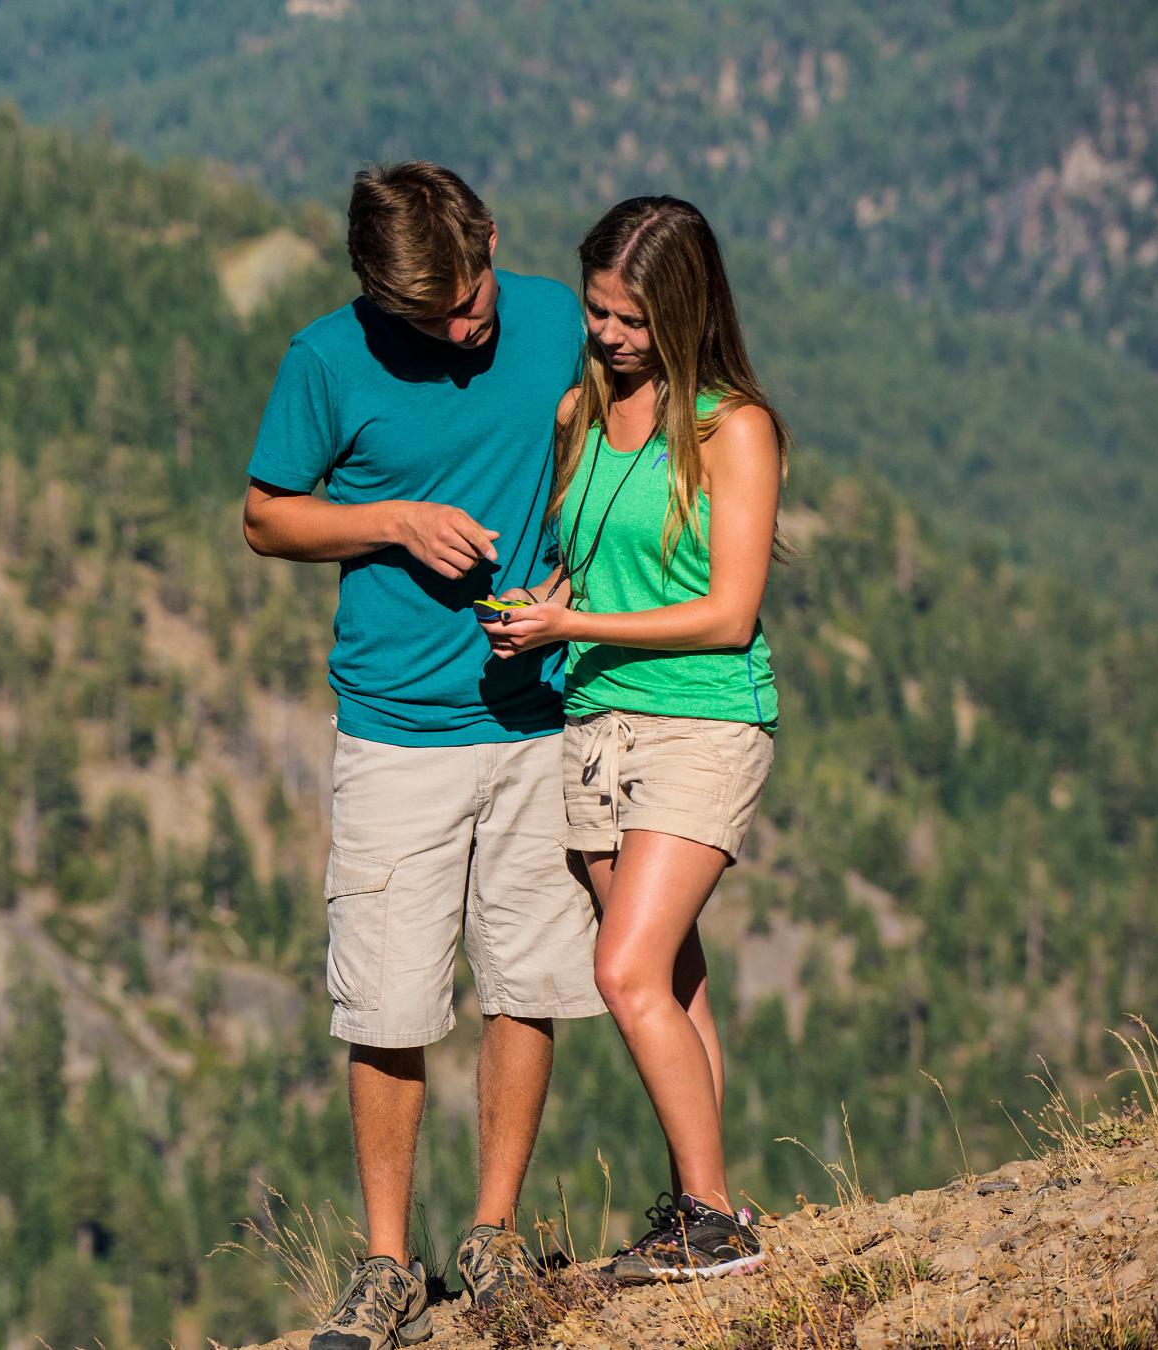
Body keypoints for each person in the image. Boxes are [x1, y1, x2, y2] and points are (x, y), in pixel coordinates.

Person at [242, 161, 604, 1349]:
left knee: (528, 984)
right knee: (390, 1002)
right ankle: (386, 1263)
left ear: (492, 237)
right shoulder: (325, 360)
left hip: (542, 709)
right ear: (376, 295)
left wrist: (577, 574)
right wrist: (392, 520)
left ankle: (493, 1238)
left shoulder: (558, 318)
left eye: (471, 293)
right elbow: (266, 515)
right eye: (432, 315)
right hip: (394, 724)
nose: (464, 324)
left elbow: (620, 446)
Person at [482, 195, 788, 1283]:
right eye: (597, 310)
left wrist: (573, 624)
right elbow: (597, 560)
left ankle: (711, 1220)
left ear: (681, 310)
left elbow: (727, 612)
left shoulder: (730, 428)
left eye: (630, 319)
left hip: (702, 719)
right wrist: (546, 607)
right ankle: (708, 1203)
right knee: (675, 976)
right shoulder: (583, 414)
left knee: (623, 972)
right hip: (597, 721)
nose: (608, 335)